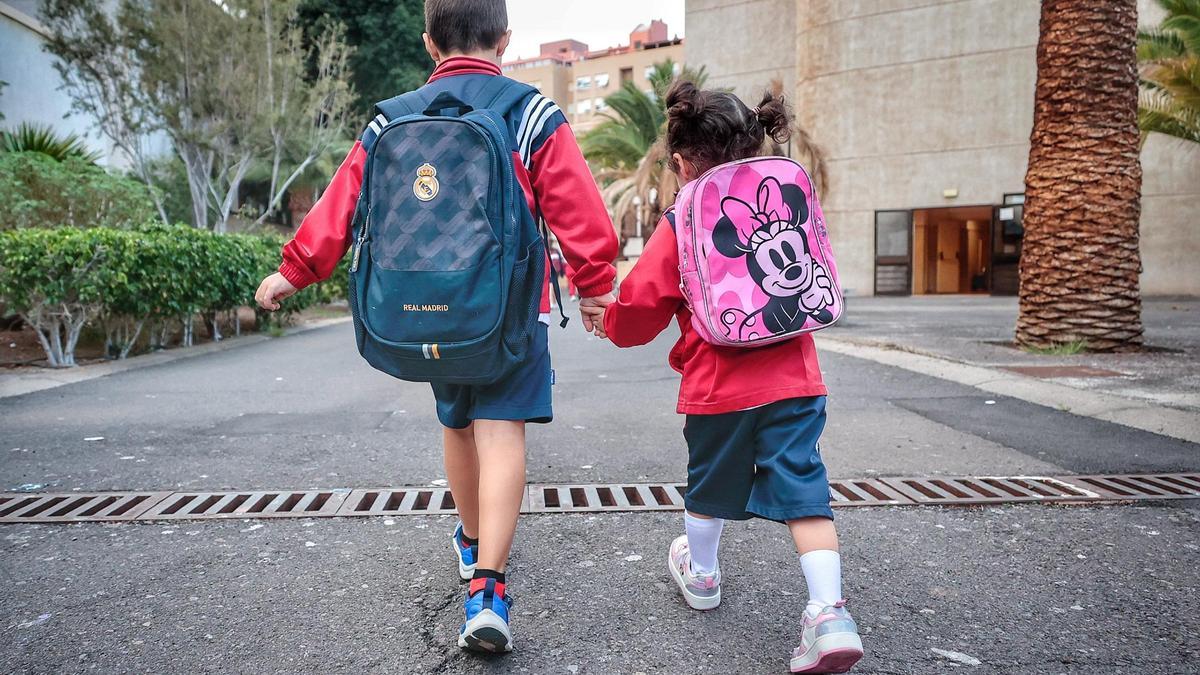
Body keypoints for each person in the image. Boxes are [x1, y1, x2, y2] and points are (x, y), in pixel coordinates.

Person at [254, 0, 617, 654]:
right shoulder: (529, 112)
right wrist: (594, 287)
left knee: (456, 422)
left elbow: (344, 200)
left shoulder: (391, 117)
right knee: (500, 432)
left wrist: (294, 271)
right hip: (507, 309)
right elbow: (576, 206)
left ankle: (471, 539)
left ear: (429, 43)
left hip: (427, 311)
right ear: (505, 40)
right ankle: (488, 588)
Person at [591, 81, 864, 674]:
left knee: (708, 486)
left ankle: (704, 572)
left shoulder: (683, 214)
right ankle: (829, 612)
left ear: (683, 161)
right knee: (805, 489)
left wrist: (609, 322)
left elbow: (642, 304)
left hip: (718, 387)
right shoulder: (780, 194)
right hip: (796, 377)